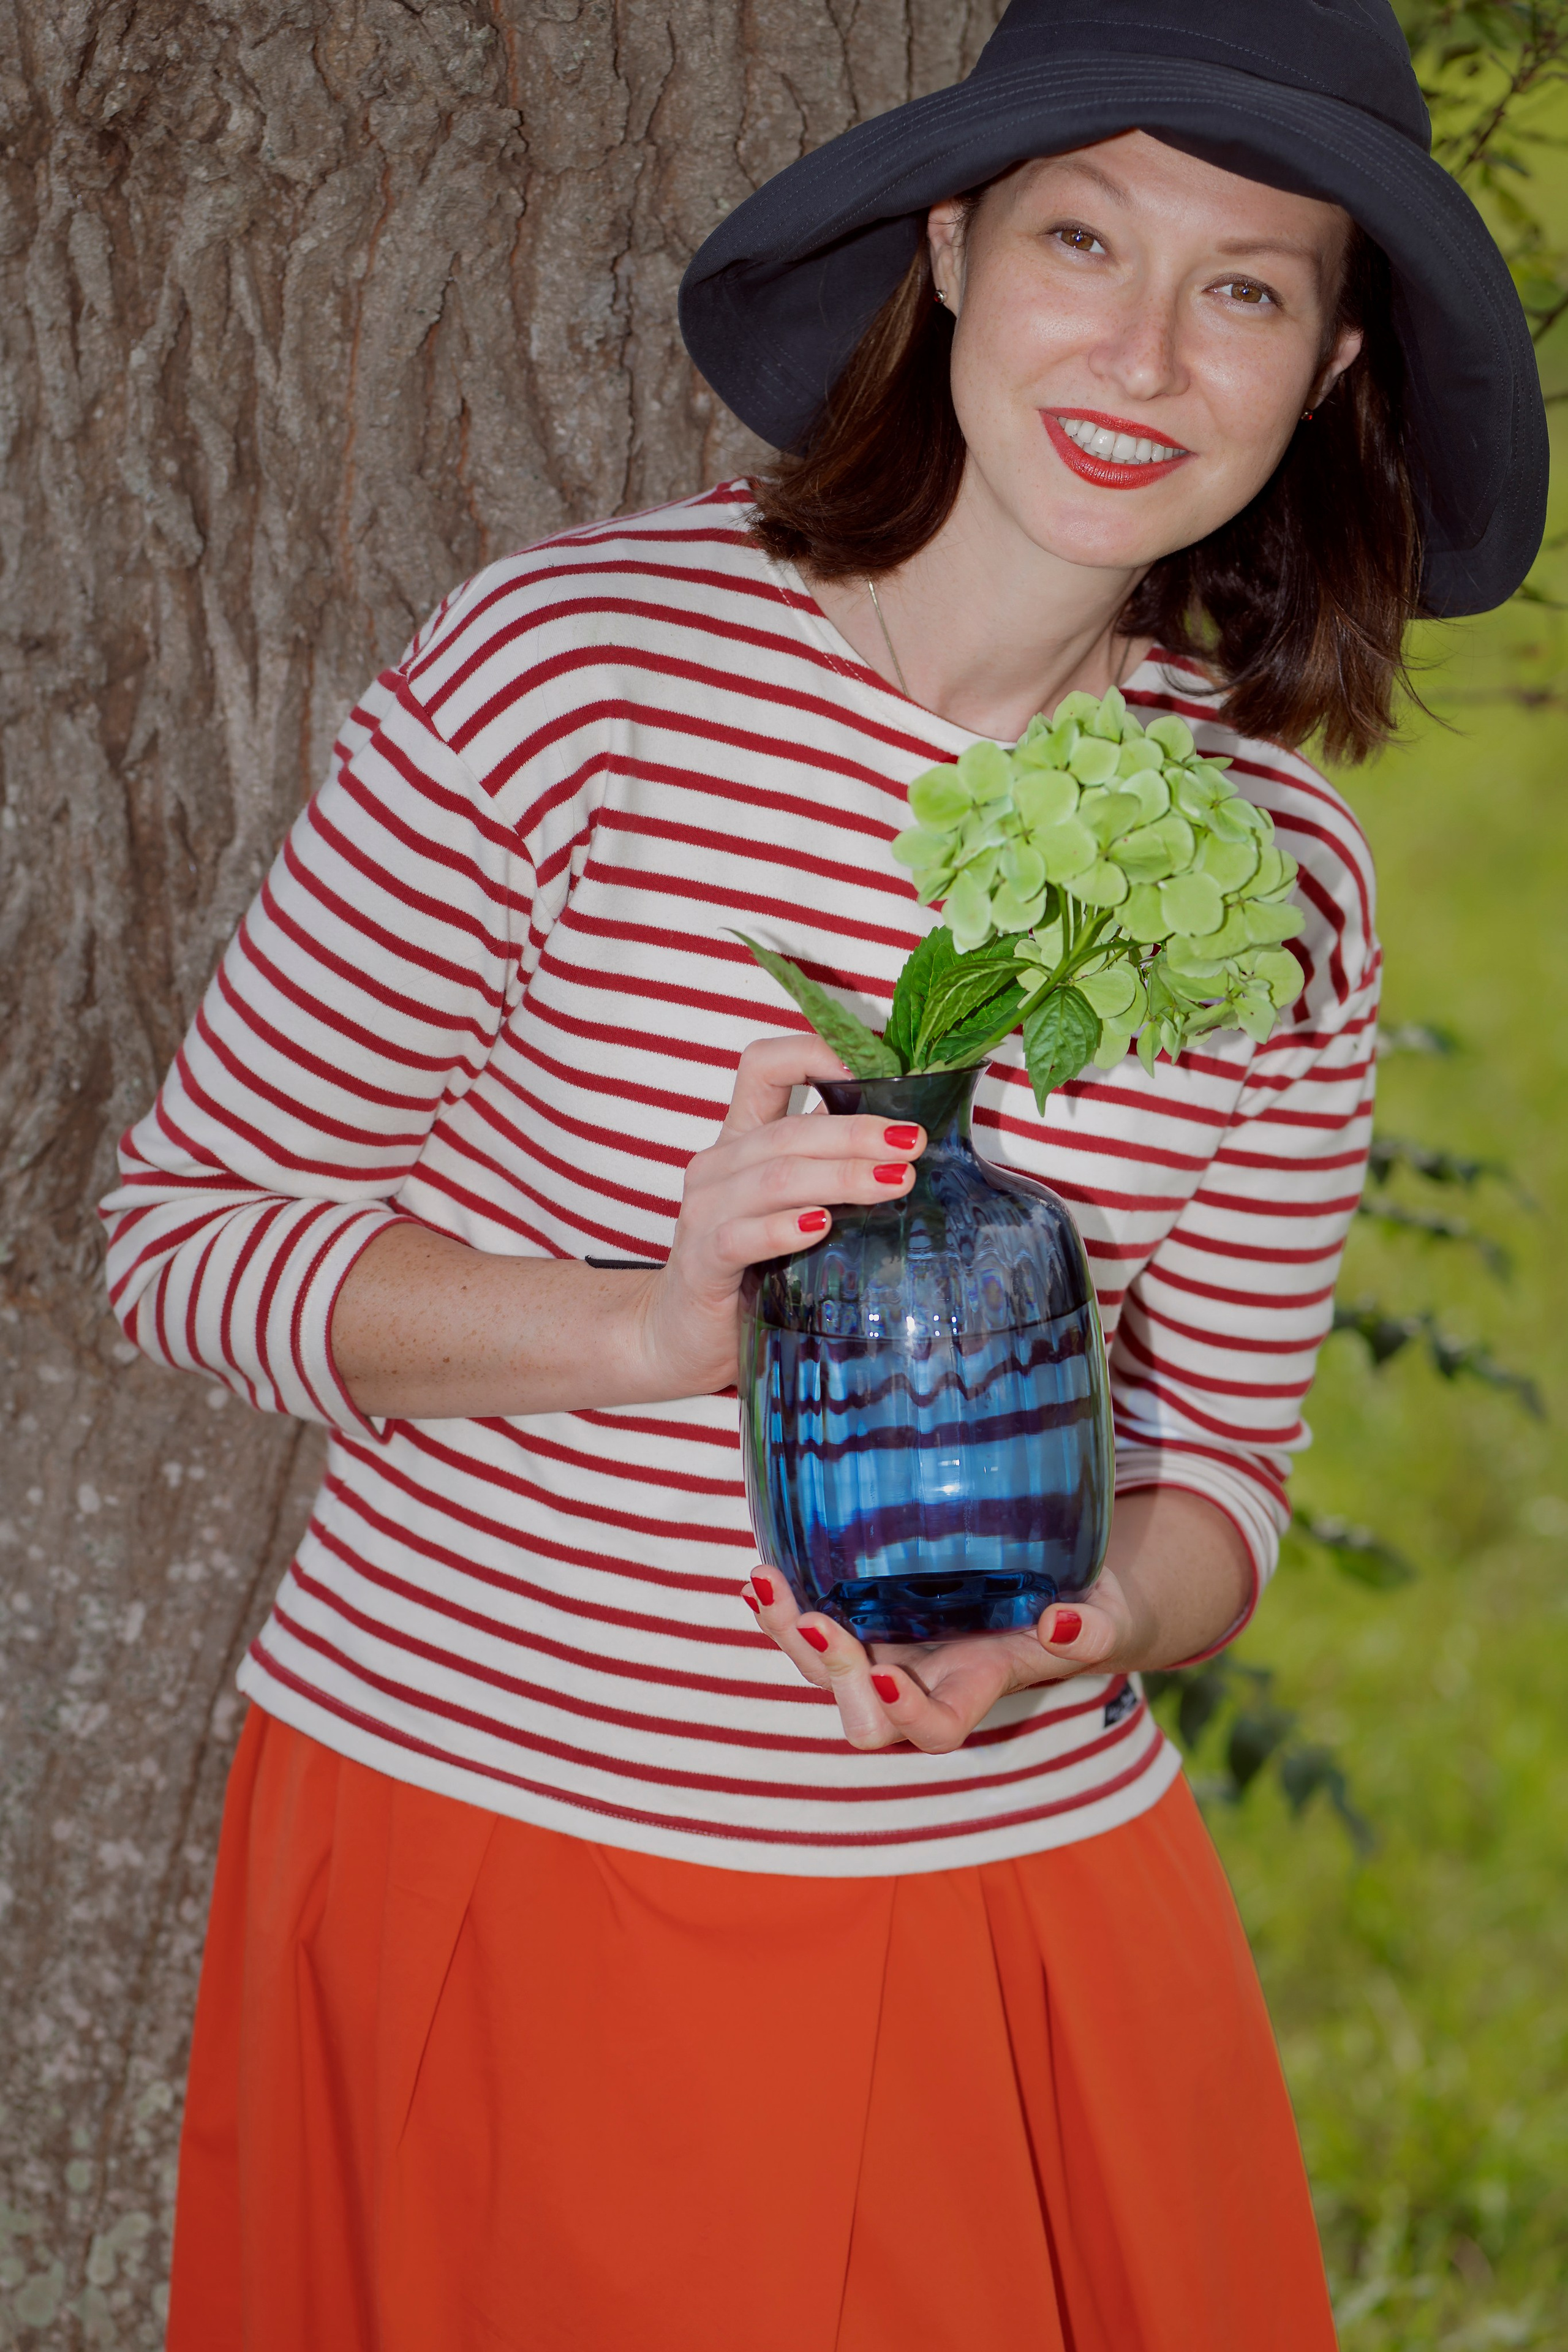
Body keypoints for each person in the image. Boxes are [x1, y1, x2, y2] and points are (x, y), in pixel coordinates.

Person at [100, 2, 1544, 2346]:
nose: (1149, 354)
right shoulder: (579, 667)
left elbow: (1224, 1487)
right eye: (1087, 239)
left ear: (1331, 363)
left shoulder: (1281, 874)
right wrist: (644, 1327)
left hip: (1001, 1920)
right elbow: (184, 1251)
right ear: (955, 249)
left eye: (1247, 288)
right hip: (494, 1864)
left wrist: (1077, 1633)